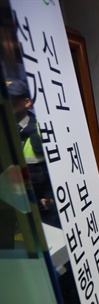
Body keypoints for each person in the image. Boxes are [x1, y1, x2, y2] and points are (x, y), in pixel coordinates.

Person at [7, 78, 59, 227]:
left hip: (44, 204)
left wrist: (53, 200)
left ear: (27, 102)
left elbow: (58, 168)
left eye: (12, 99)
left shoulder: (43, 129)